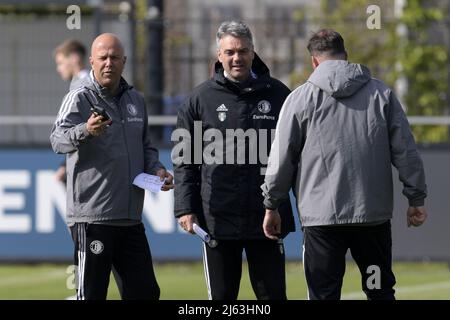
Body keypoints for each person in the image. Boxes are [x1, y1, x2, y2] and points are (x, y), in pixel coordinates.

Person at [261, 29, 428, 300]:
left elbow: (281, 159)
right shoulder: (381, 94)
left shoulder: (300, 99)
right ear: (346, 57)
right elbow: (405, 151)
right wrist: (416, 198)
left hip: (322, 221)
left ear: (314, 61)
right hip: (371, 218)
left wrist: (271, 204)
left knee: (324, 295)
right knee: (379, 292)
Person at [173, 21, 295, 300]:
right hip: (217, 218)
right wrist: (184, 208)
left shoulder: (279, 95)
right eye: (229, 52)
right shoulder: (198, 99)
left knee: (274, 296)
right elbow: (185, 161)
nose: (236, 58)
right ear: (219, 55)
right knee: (222, 298)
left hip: (267, 217)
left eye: (242, 51)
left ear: (253, 53)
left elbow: (294, 156)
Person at [50, 33, 173, 300]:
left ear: (124, 61)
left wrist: (157, 169)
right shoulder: (79, 97)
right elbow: (57, 140)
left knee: (146, 293)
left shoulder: (136, 100)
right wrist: (85, 130)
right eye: (103, 58)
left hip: (129, 218)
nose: (109, 63)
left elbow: (146, 147)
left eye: (114, 57)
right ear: (92, 61)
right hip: (92, 219)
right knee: (92, 294)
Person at [53, 39, 90, 183]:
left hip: (88, 167)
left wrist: (64, 166)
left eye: (60, 63)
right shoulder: (80, 84)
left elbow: (86, 127)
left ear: (74, 58)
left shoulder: (85, 86)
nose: (58, 68)